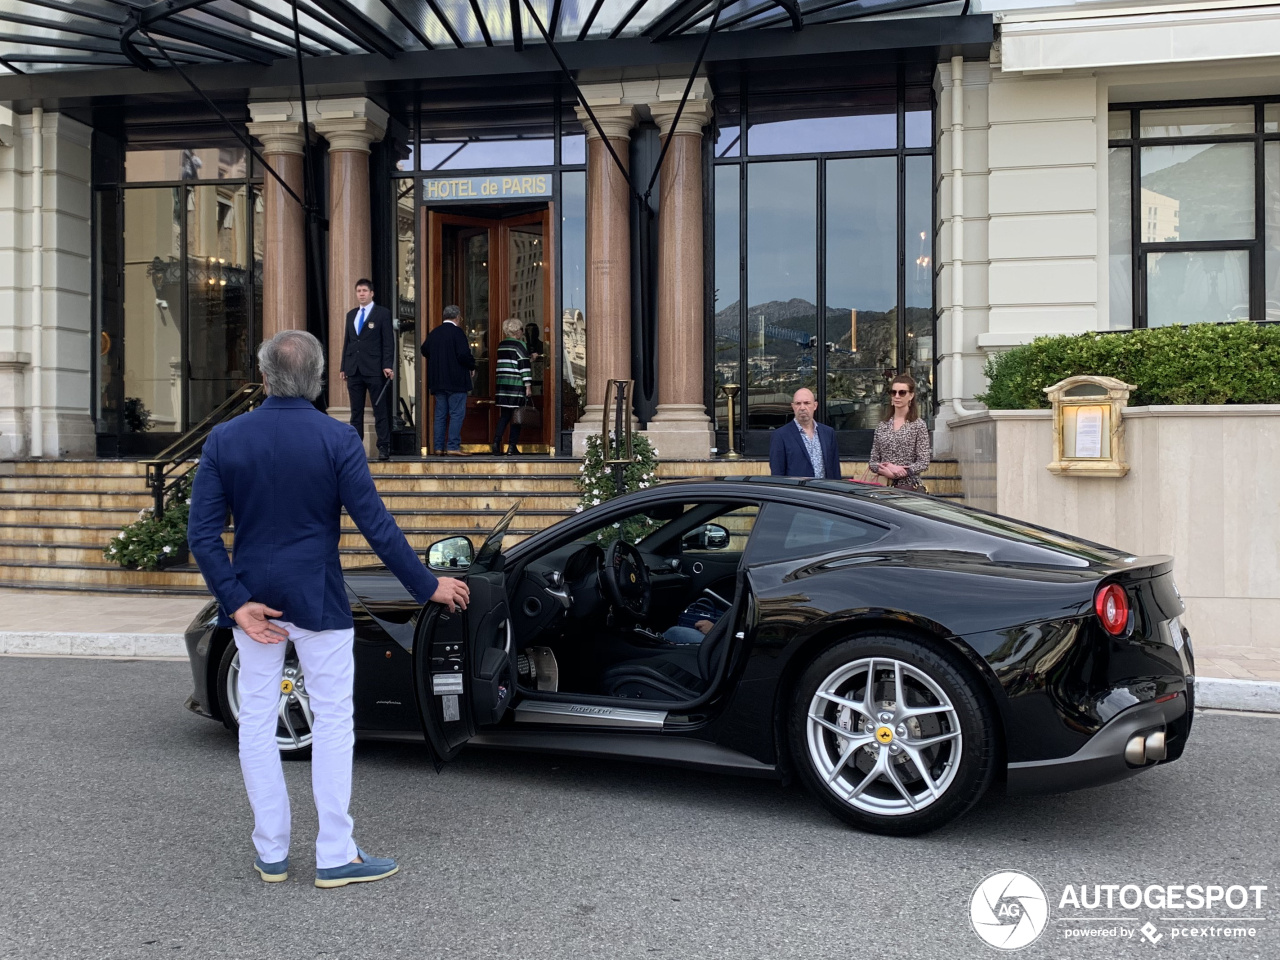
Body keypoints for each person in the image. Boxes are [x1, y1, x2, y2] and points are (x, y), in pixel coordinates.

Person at [187, 330, 470, 889]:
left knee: (257, 722)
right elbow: (377, 528)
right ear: (319, 380)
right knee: (335, 720)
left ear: (264, 377)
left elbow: (202, 535)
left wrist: (237, 602)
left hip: (253, 603)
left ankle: (271, 852)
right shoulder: (336, 438)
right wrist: (426, 584)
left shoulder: (225, 439)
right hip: (317, 596)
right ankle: (334, 853)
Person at [340, 278, 395, 461]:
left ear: (372, 293)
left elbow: (388, 341)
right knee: (356, 412)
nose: (361, 294)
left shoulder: (382, 313)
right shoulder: (351, 315)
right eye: (359, 291)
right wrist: (343, 366)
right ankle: (356, 448)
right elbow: (347, 342)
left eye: (364, 290)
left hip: (374, 369)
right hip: (354, 369)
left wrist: (387, 364)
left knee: (380, 410)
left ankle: (383, 447)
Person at [421, 304, 475, 456]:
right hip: (456, 381)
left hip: (438, 380)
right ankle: (452, 446)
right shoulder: (458, 333)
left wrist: (438, 359)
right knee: (457, 413)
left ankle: (438, 447)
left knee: (440, 414)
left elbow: (424, 349)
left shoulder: (435, 333)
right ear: (457, 317)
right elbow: (464, 355)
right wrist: (472, 365)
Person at [869, 373, 931, 490]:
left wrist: (901, 471)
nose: (897, 396)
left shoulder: (918, 425)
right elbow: (873, 462)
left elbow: (923, 462)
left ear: (911, 396)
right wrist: (887, 469)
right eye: (893, 392)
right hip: (883, 486)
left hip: (909, 487)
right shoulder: (882, 425)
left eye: (902, 392)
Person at [768, 387, 841, 479]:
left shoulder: (828, 433)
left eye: (807, 403)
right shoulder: (780, 435)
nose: (802, 407)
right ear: (793, 406)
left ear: (815, 405)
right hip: (797, 492)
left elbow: (835, 470)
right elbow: (777, 474)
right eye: (798, 403)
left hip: (824, 491)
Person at [493, 318, 533, 456]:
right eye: (521, 329)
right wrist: (528, 385)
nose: (522, 332)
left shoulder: (502, 344)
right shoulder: (520, 345)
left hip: (503, 385)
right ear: (517, 330)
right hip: (516, 384)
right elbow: (523, 366)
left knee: (504, 416)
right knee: (517, 417)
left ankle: (496, 443)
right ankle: (512, 447)